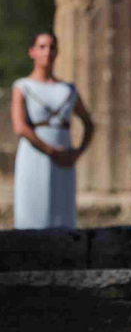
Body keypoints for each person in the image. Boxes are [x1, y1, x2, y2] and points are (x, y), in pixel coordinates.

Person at [10, 32, 94, 229]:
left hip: (64, 158)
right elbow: (20, 126)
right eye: (42, 46)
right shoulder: (23, 86)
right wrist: (50, 151)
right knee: (32, 215)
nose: (47, 51)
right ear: (32, 52)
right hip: (35, 156)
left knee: (61, 214)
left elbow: (89, 124)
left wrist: (77, 153)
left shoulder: (68, 89)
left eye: (52, 47)